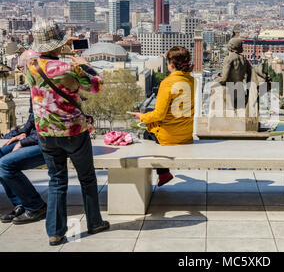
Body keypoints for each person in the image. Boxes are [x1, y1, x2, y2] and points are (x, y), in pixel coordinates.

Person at [26, 19, 109, 246]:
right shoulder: (68, 68)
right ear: (57, 44)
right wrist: (83, 64)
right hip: (73, 131)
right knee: (87, 178)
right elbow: (97, 85)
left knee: (57, 180)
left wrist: (57, 46)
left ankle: (55, 232)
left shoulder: (30, 66)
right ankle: (94, 222)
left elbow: (31, 53)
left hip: (45, 133)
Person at [129, 46, 195, 187]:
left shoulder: (167, 83)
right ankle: (163, 173)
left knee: (148, 133)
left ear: (171, 64)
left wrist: (142, 117)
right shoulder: (191, 80)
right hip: (186, 134)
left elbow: (159, 114)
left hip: (169, 137)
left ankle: (163, 173)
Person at [0, 96, 47, 225]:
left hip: (50, 142)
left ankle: (36, 206)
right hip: (34, 137)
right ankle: (22, 203)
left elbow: (53, 125)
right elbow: (34, 116)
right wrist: (24, 132)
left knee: (5, 164)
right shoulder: (35, 83)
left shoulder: (51, 82)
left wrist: (24, 142)